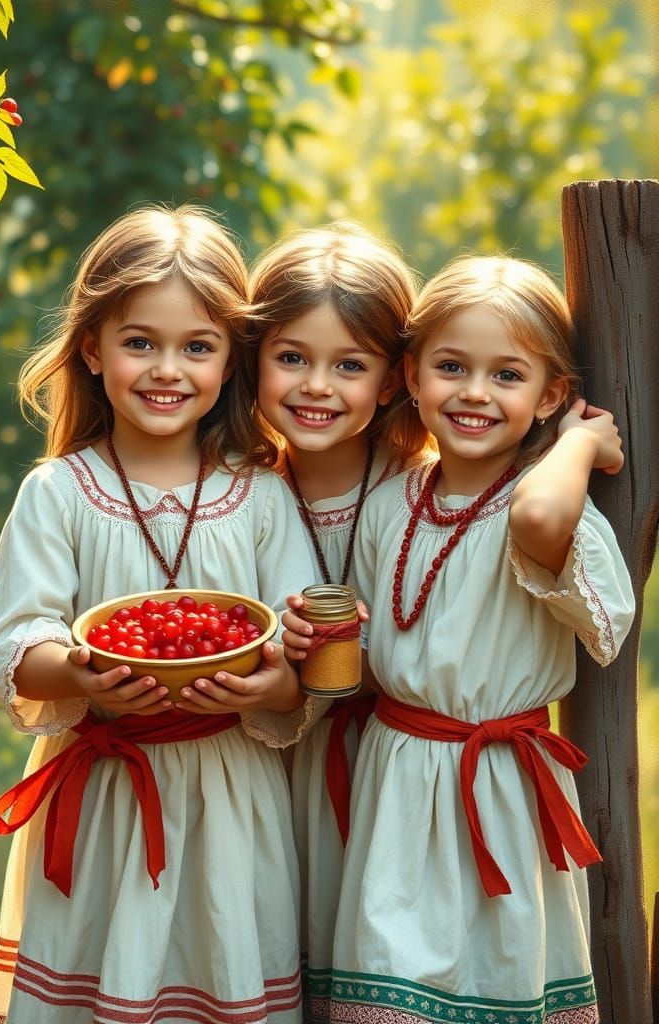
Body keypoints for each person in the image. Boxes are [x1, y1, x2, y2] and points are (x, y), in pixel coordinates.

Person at [0, 205, 320, 1024]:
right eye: (141, 343)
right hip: (101, 793)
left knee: (225, 970)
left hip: (231, 797)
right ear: (92, 349)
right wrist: (80, 669)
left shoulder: (262, 495)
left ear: (230, 359)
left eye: (197, 347)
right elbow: (17, 645)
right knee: (104, 978)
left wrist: (269, 688)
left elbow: (296, 665)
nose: (168, 370)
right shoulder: (58, 492)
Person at [283, 255, 634, 1024]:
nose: (474, 394)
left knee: (494, 972)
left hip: (498, 789)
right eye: (451, 367)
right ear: (410, 376)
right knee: (387, 981)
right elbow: (373, 659)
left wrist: (577, 445)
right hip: (394, 784)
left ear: (552, 396)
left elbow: (537, 520)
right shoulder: (392, 501)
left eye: (507, 376)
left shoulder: (547, 508)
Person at [247, 224, 431, 1024]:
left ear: (392, 380)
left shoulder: (424, 491)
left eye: (349, 364)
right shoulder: (234, 495)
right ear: (251, 357)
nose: (316, 385)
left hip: (389, 771)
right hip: (261, 766)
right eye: (291, 357)